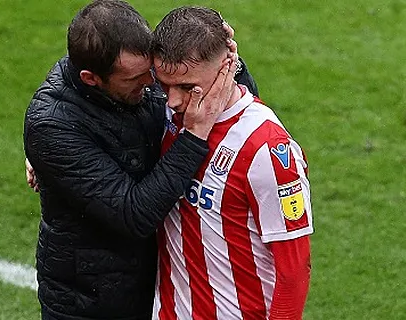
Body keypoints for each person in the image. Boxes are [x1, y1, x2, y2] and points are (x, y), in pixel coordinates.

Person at [23, 1, 257, 319]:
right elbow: (134, 215)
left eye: (151, 72)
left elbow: (226, 108)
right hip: (92, 304)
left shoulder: (136, 75)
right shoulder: (52, 125)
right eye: (135, 79)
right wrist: (194, 136)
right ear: (91, 79)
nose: (152, 84)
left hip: (162, 287)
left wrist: (226, 64)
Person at [149, 6, 313, 320]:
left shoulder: (265, 149)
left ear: (227, 67)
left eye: (187, 87)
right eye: (163, 84)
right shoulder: (167, 114)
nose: (172, 100)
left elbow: (293, 272)